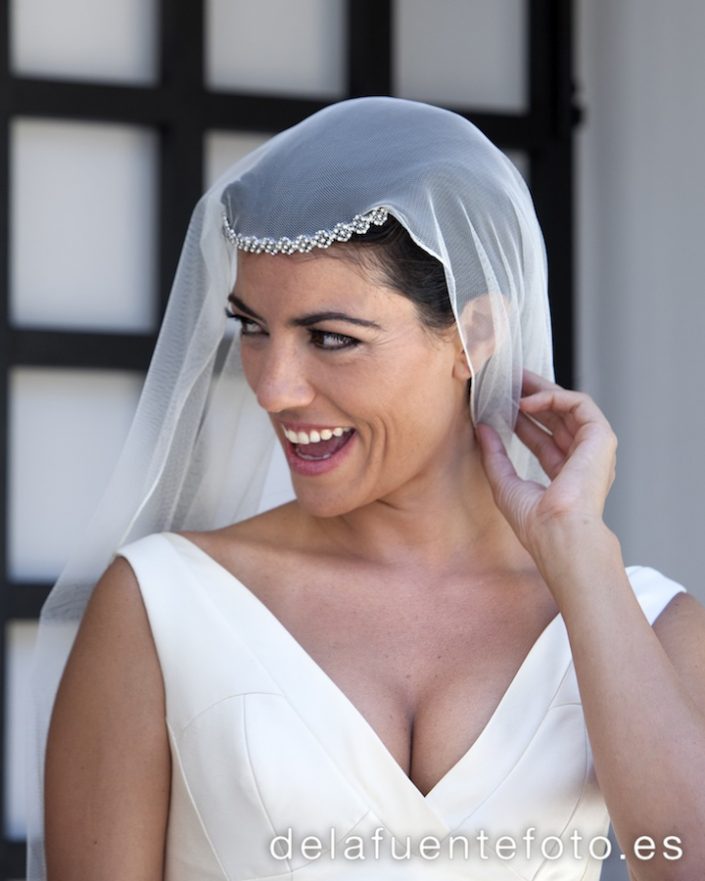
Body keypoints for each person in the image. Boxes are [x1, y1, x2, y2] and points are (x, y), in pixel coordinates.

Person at [26, 97, 705, 880]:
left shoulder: (648, 625)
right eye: (252, 329)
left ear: (475, 337)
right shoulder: (161, 606)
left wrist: (580, 556)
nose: (274, 388)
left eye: (331, 338)